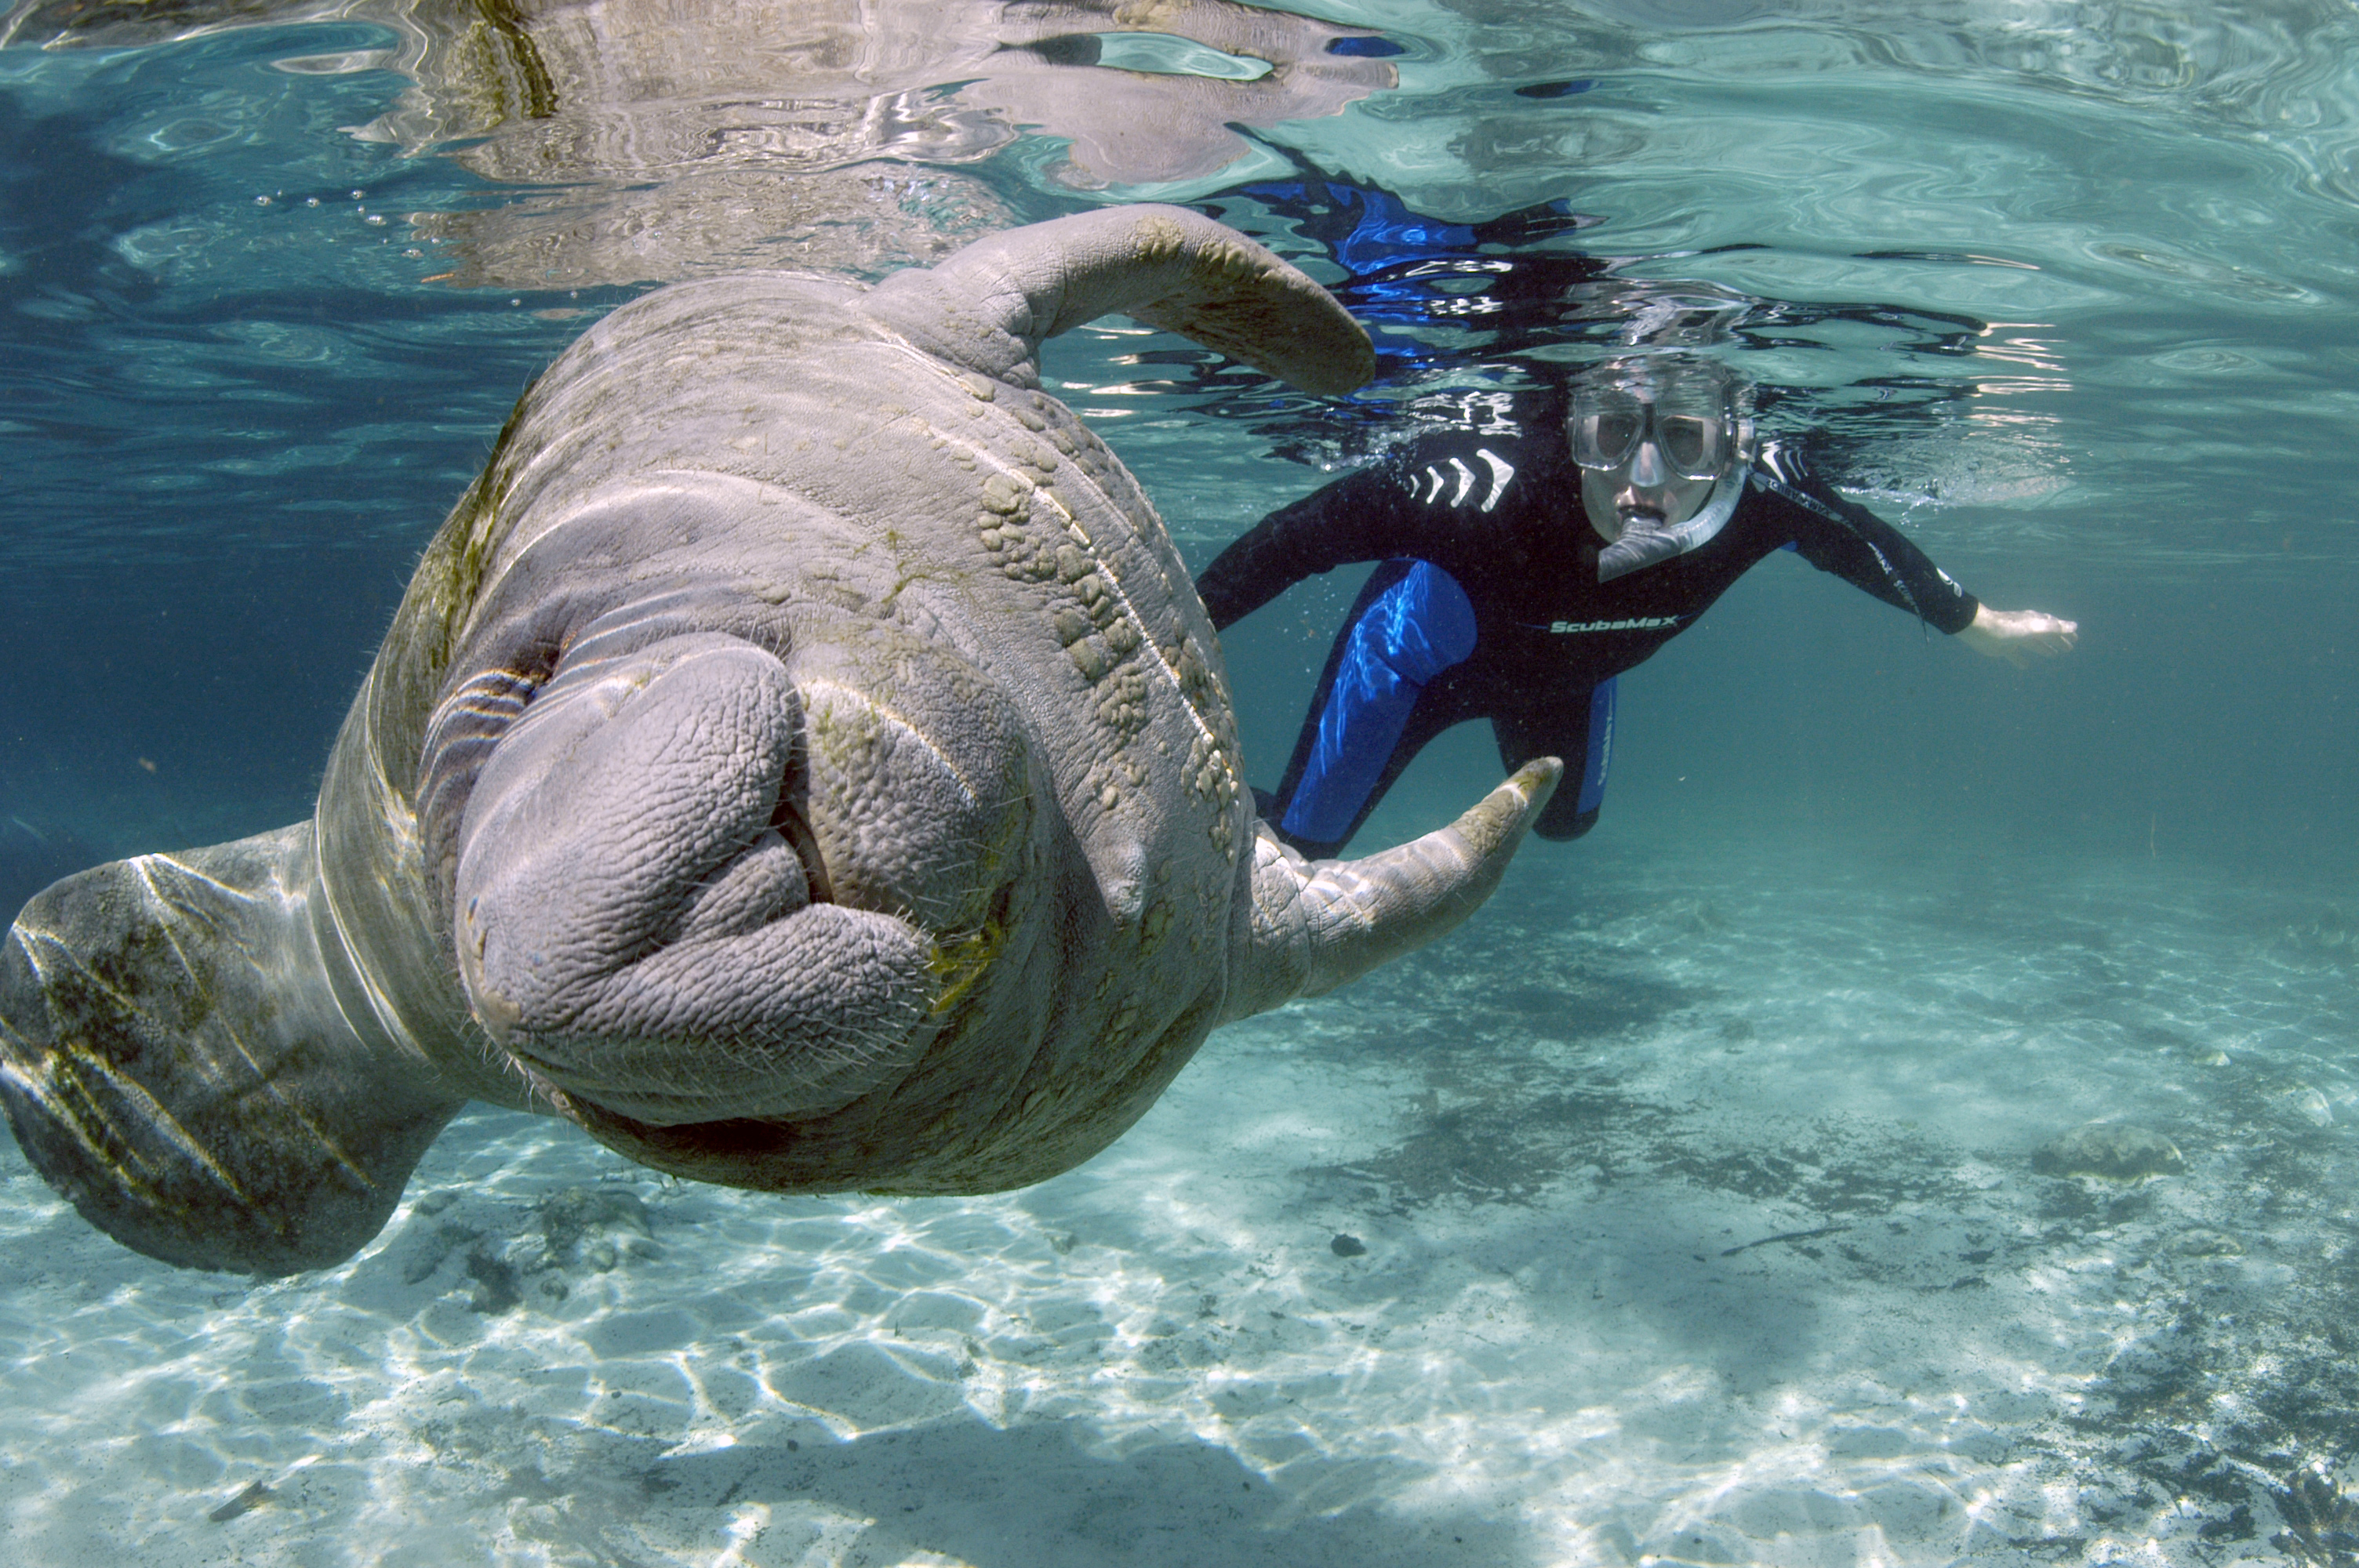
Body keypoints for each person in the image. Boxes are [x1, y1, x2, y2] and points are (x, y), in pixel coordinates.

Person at [1195, 350, 2078, 857]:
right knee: (1300, 853)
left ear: (1732, 446)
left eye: (1684, 440)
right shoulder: (1475, 488)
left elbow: (1857, 543)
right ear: (1572, 429)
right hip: (1411, 666)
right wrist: (1175, 627)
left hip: (1568, 676)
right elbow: (1297, 538)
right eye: (1611, 433)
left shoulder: (1767, 497)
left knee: (1565, 828)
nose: (1639, 480)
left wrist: (1977, 625)